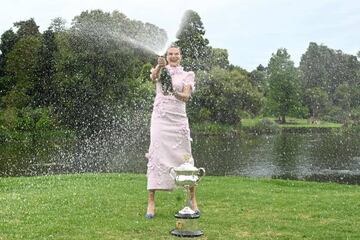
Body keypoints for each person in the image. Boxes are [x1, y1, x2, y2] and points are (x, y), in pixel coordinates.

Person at [145, 45, 199, 219]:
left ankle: (193, 200)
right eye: (170, 54)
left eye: (176, 54)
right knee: (156, 154)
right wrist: (160, 66)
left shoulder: (187, 74)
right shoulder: (160, 69)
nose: (173, 56)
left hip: (178, 120)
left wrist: (173, 92)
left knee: (185, 156)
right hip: (161, 118)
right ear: (166, 56)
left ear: (181, 56)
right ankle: (151, 203)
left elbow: (186, 96)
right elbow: (154, 78)